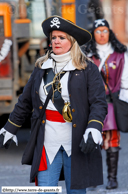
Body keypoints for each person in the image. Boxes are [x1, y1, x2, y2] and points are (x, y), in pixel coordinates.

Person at [0, 16, 107, 194]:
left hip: (77, 140)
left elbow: (98, 102)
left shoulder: (87, 68)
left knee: (76, 192)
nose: (56, 41)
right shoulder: (41, 67)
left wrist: (94, 127)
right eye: (54, 37)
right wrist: (10, 127)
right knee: (45, 190)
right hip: (47, 140)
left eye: (62, 37)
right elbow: (25, 101)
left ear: (72, 41)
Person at [85, 18, 128, 190]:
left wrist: (124, 104)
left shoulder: (121, 54)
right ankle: (94, 179)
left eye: (105, 31)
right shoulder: (86, 54)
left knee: (112, 141)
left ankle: (112, 178)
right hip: (91, 104)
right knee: (93, 141)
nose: (102, 35)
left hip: (111, 104)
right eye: (98, 31)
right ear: (93, 34)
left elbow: (126, 81)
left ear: (109, 32)